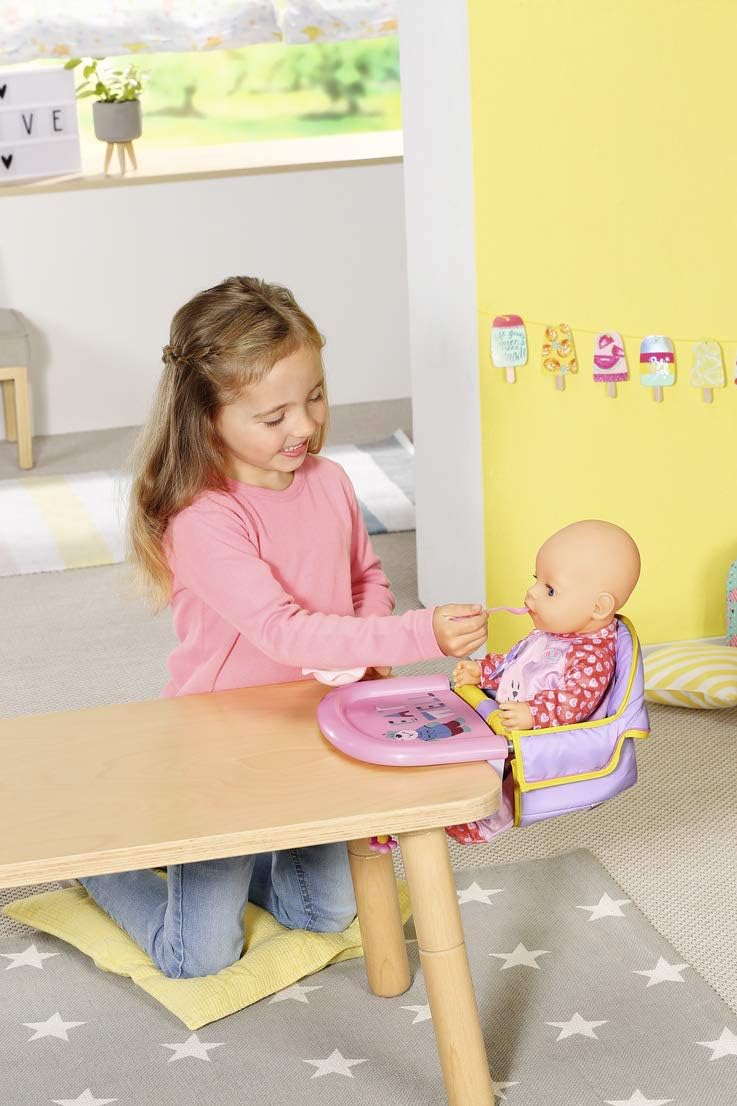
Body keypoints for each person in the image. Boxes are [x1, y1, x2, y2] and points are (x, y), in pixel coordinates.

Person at [79, 275, 488, 979]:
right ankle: (105, 863)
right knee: (197, 957)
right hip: (221, 748)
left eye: (315, 396)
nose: (303, 426)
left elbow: (366, 575)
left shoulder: (328, 481)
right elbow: (286, 631)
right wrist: (417, 635)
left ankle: (233, 860)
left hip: (316, 726)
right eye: (273, 418)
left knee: (323, 911)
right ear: (208, 418)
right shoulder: (205, 518)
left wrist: (370, 643)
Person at [446, 519, 640, 845]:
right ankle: (453, 788)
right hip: (512, 708)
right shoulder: (557, 631)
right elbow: (519, 661)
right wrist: (483, 671)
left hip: (546, 730)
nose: (531, 593)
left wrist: (534, 714)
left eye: (549, 589)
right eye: (536, 580)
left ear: (599, 607)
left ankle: (488, 819)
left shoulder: (592, 654)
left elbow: (575, 700)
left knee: (506, 769)